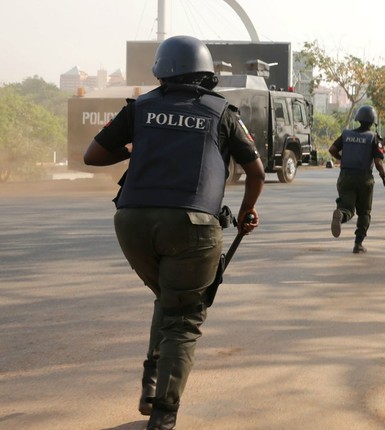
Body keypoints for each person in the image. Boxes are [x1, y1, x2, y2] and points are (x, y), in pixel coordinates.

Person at [82, 35, 265, 430]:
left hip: (131, 222)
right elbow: (256, 171)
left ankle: (151, 387)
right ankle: (163, 417)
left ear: (161, 70)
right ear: (207, 73)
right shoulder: (221, 112)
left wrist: (136, 148)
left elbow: (92, 156)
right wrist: (248, 212)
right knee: (184, 318)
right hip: (193, 227)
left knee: (169, 298)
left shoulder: (141, 108)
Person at [329, 105, 385, 253]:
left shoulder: (346, 134)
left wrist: (342, 159)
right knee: (364, 212)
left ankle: (341, 215)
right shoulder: (373, 137)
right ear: (372, 121)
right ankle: (358, 243)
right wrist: (382, 173)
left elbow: (332, 150)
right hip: (364, 179)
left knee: (347, 208)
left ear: (358, 119)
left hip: (345, 176)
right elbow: (379, 161)